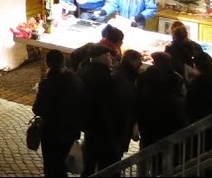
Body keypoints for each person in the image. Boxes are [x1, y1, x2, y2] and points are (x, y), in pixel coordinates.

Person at [33, 50, 83, 178]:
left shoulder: (46, 84)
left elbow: (37, 109)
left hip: (51, 132)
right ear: (63, 62)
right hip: (70, 131)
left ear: (48, 63)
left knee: (52, 165)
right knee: (61, 162)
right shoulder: (75, 80)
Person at [185, 51, 212, 177]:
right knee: (211, 154)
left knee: (199, 155)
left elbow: (191, 105)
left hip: (200, 125)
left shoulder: (199, 84)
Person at [77, 45, 117, 176]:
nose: (111, 58)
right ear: (101, 57)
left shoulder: (84, 70)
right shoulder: (104, 76)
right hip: (102, 123)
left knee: (90, 157)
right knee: (104, 161)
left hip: (89, 122)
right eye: (108, 55)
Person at [136, 52, 186, 149]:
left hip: (148, 120)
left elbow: (139, 96)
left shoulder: (144, 77)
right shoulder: (177, 78)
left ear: (155, 62)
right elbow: (182, 98)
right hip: (170, 122)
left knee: (147, 149)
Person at [110, 49, 143, 165]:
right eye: (139, 62)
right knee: (112, 162)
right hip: (118, 130)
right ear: (132, 62)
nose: (141, 65)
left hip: (118, 130)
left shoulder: (121, 75)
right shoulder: (124, 80)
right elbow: (124, 107)